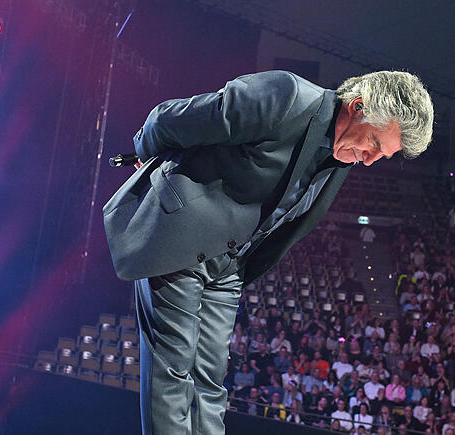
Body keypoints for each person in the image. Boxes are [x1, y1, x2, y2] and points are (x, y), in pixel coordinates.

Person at [103, 70, 434, 434]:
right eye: (373, 142)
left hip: (228, 266)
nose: (369, 160)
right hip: (179, 236)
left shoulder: (343, 156)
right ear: (356, 107)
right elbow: (169, 119)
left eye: (381, 155)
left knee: (210, 384)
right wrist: (146, 161)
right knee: (173, 370)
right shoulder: (287, 96)